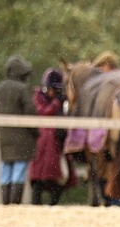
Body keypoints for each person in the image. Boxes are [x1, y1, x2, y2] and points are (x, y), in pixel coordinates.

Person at [0, 55, 37, 205]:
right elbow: (30, 112)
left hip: (4, 136)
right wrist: (35, 132)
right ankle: (14, 203)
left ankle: (5, 203)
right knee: (19, 169)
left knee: (5, 168)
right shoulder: (22, 89)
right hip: (22, 138)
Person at [29, 68, 72, 205]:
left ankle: (52, 204)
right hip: (43, 143)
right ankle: (37, 204)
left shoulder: (60, 102)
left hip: (56, 143)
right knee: (39, 177)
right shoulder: (38, 98)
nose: (54, 93)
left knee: (61, 176)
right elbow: (44, 112)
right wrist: (57, 103)